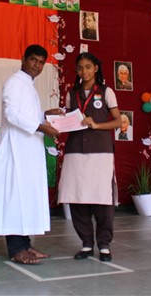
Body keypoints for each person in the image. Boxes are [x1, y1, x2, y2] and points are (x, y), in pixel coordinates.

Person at [0, 44, 61, 265]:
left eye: (41, 62)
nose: (37, 65)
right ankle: (16, 249)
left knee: (25, 198)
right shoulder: (14, 82)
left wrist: (45, 115)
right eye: (33, 60)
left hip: (28, 151)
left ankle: (25, 244)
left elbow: (26, 114)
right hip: (14, 149)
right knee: (15, 198)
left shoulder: (28, 85)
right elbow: (12, 114)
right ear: (23, 59)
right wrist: (42, 126)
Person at [58, 52, 122, 262]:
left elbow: (118, 121)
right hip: (75, 151)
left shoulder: (106, 92)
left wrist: (97, 125)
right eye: (80, 67)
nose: (83, 71)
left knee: (102, 199)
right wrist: (59, 122)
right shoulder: (71, 93)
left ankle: (104, 245)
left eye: (87, 67)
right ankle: (86, 243)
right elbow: (68, 120)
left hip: (101, 152)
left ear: (95, 68)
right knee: (77, 198)